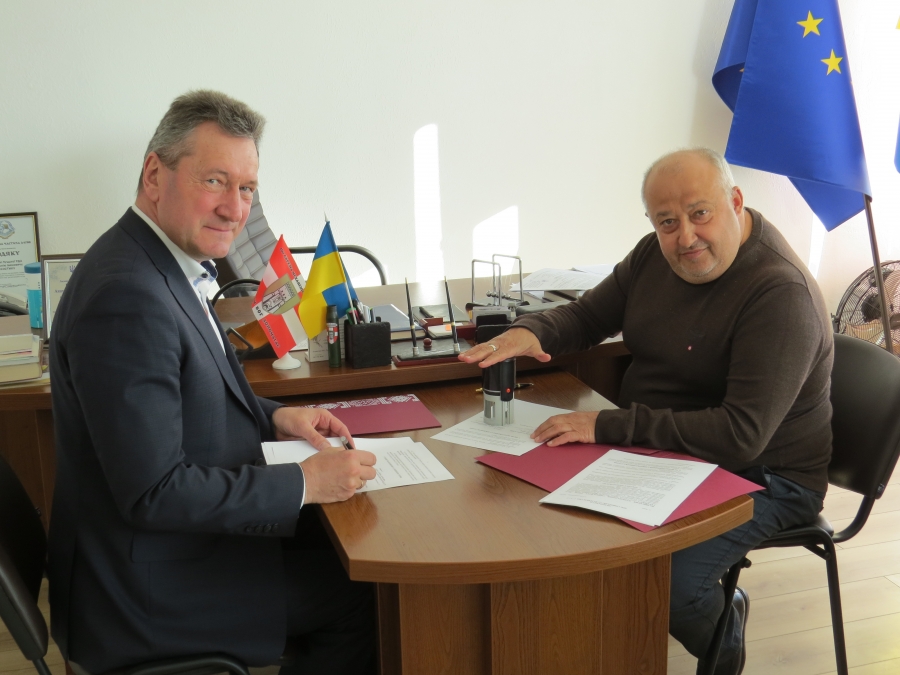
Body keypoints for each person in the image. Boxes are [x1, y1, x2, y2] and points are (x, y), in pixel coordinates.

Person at [461, 148, 832, 675]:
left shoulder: (779, 292)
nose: (686, 237)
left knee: (670, 584)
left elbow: (740, 434)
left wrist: (605, 425)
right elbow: (587, 317)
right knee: (544, 522)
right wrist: (530, 332)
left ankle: (724, 635)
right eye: (667, 222)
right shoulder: (652, 256)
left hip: (764, 473)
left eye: (700, 213)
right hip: (663, 451)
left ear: (735, 201)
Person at [48, 90, 378, 675]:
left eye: (247, 188)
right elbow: (154, 491)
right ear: (155, 174)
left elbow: (190, 392)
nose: (234, 208)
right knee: (362, 592)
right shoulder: (126, 296)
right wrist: (303, 482)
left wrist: (274, 416)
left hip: (164, 554)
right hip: (145, 592)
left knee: (342, 545)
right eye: (215, 181)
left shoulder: (158, 260)